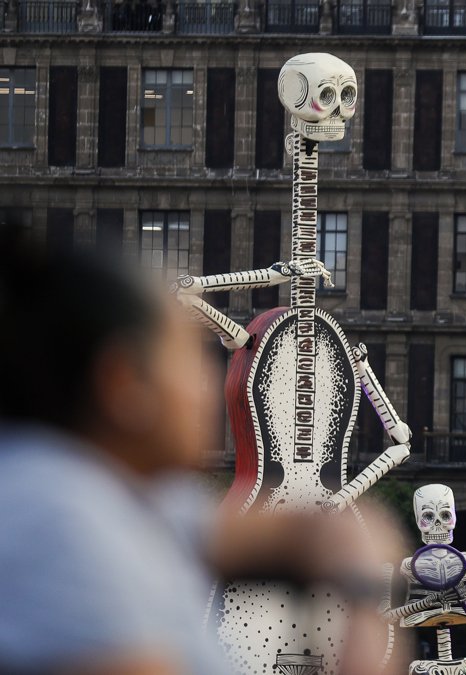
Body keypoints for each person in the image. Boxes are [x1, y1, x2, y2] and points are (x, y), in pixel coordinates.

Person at [0, 234, 401, 674]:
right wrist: (363, 605)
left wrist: (328, 537)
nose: (212, 384)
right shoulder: (59, 525)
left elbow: (254, 535)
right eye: (189, 356)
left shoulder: (122, 497)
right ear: (123, 383)